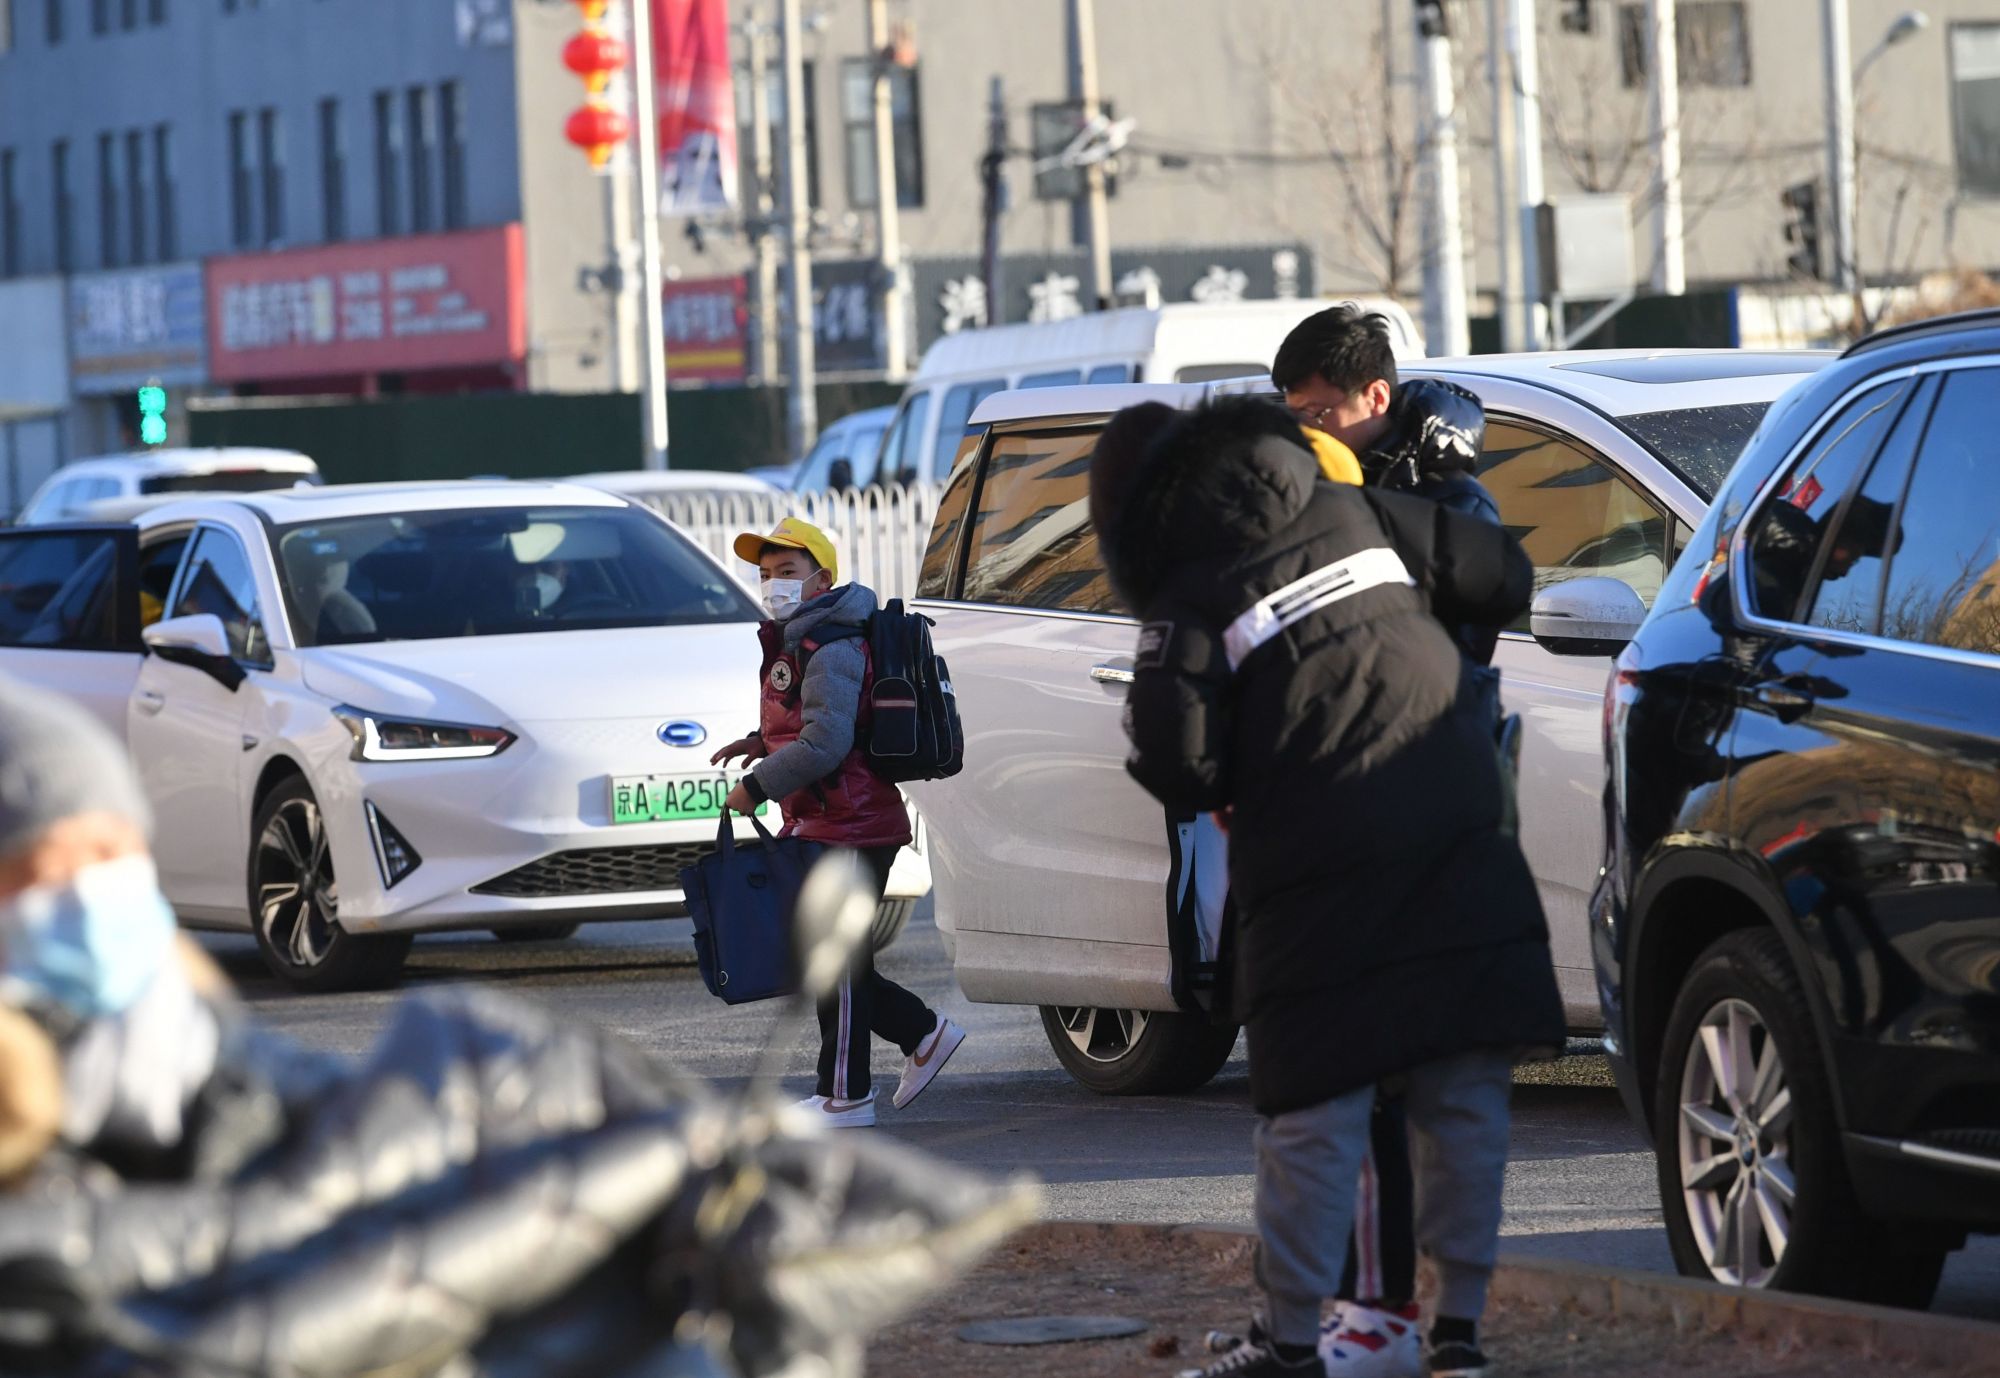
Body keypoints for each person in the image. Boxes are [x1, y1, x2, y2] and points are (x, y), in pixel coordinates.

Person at [0, 672, 1023, 1377]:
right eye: (37, 880)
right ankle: (885, 1060)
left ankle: (895, 1054)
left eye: (107, 859)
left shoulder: (318, 1088)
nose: (84, 900)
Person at [1089, 397, 1564, 1378]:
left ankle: (1291, 1341)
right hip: (1459, 819)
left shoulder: (1188, 589)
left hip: (1315, 867)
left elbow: (1178, 761)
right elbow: (1502, 572)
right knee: (1460, 1092)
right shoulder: (1354, 509)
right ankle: (1458, 1337)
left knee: (1316, 1108)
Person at [1264, 303, 1514, 1375]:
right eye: (1294, 415)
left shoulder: (1448, 502)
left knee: (1420, 1086)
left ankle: (1422, 1322)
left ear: (1376, 397)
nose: (1309, 430)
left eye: (1323, 411)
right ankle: (1374, 1313)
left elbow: (1457, 635)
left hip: (1432, 823)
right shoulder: (1310, 494)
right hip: (1344, 825)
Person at [713, 516, 966, 1129]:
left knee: (839, 967)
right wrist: (760, 742)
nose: (773, 584)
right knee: (831, 960)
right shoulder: (801, 638)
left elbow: (826, 744)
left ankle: (848, 1094)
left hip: (852, 824)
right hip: (832, 820)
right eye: (766, 573)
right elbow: (820, 722)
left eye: (787, 571)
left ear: (821, 579)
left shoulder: (832, 644)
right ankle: (921, 1035)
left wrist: (757, 786)